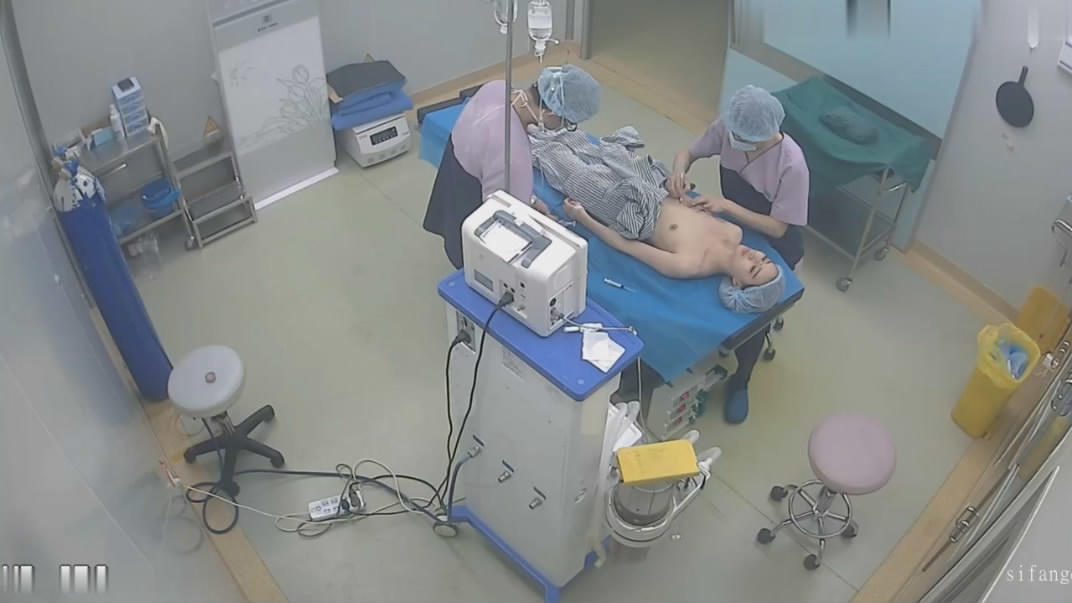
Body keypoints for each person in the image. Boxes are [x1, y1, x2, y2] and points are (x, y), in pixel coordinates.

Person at [668, 85, 809, 425]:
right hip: (734, 228)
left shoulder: (792, 165)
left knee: (753, 321)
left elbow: (779, 227)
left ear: (765, 134)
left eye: (743, 139)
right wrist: (679, 173)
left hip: (775, 241)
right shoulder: (729, 129)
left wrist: (727, 206)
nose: (734, 141)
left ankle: (741, 380)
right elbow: (688, 153)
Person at [423, 65, 601, 268]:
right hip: (471, 207)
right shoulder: (513, 155)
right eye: (568, 124)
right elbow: (506, 220)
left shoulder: (496, 87)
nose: (564, 129)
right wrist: (542, 224)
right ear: (551, 114)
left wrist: (531, 200)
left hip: (454, 176)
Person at [562, 197, 783, 293]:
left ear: (736, 283)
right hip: (647, 180)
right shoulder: (733, 231)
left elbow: (626, 245)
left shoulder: (688, 264)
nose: (755, 257)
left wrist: (583, 217)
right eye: (764, 258)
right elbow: (686, 204)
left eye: (753, 269)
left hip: (620, 202)